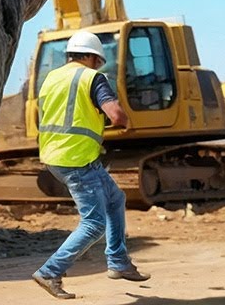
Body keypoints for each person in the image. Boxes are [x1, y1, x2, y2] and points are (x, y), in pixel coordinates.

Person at [31, 30, 150, 299]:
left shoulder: (51, 78)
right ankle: (50, 271)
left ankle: (119, 263)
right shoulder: (92, 78)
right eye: (98, 59)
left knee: (115, 198)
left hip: (56, 155)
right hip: (77, 159)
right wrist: (127, 121)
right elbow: (116, 115)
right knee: (94, 223)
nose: (99, 65)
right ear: (90, 57)